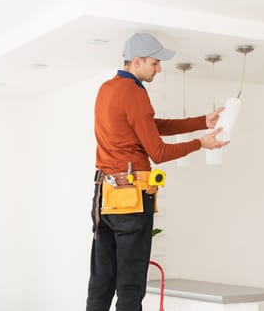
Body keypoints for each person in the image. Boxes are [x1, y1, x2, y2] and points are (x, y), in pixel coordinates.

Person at [86, 32, 229, 311]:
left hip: (104, 198)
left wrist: (202, 121)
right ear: (136, 61)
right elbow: (159, 152)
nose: (159, 68)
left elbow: (151, 125)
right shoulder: (135, 92)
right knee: (130, 285)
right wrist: (201, 143)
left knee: (101, 281)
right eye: (155, 62)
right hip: (132, 196)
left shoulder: (106, 89)